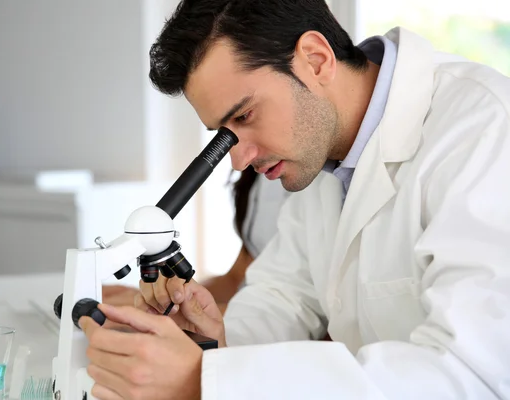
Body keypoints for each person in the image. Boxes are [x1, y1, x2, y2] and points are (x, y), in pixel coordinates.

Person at [78, 1, 510, 399]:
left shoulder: (485, 130)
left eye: (244, 116)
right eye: (222, 134)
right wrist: (208, 341)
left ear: (315, 60)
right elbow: (280, 297)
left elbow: (469, 373)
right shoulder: (324, 156)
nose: (238, 159)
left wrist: (205, 381)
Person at [101, 166, 291, 314]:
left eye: (243, 117)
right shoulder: (255, 176)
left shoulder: (305, 179)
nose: (236, 158)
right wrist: (169, 302)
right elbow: (237, 278)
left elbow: (296, 313)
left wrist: (183, 316)